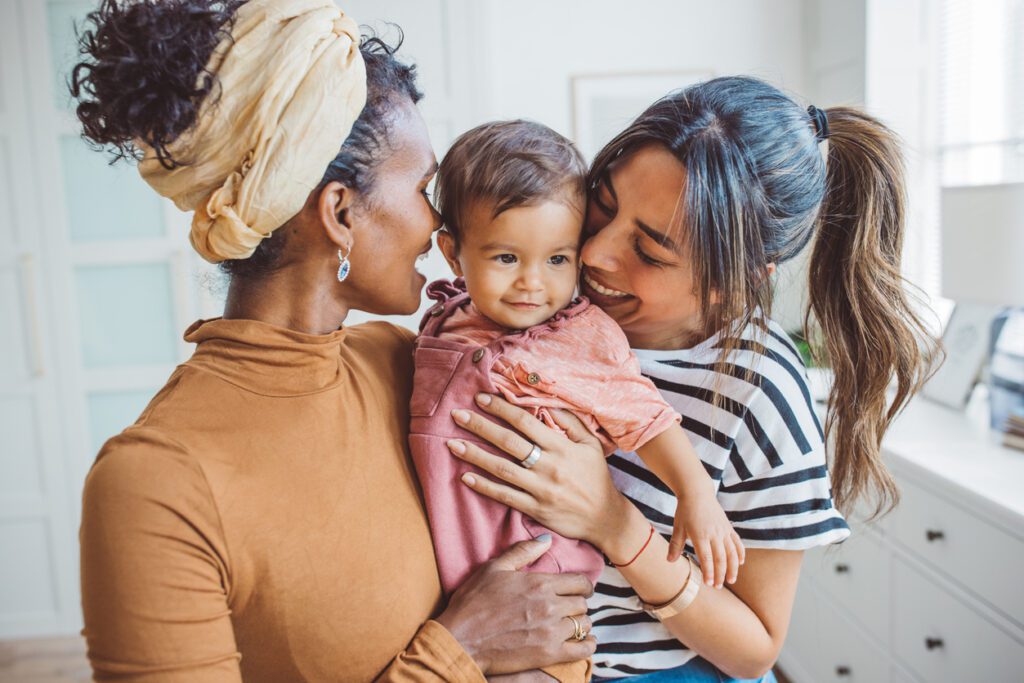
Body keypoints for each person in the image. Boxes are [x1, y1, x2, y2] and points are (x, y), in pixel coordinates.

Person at [71, 0, 594, 680]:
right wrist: (456, 651)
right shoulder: (153, 485)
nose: (439, 218)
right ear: (341, 214)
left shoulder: (410, 365)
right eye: (423, 185)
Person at [442, 77, 940, 680]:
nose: (595, 253)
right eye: (602, 205)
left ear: (735, 278)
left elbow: (755, 650)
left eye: (649, 253)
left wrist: (612, 522)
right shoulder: (541, 304)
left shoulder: (757, 391)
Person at [409, 119, 744, 604]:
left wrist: (696, 495)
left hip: (537, 571)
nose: (532, 282)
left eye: (558, 260)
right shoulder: (446, 315)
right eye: (506, 258)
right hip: (451, 560)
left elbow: (644, 416)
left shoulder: (576, 337)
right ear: (454, 255)